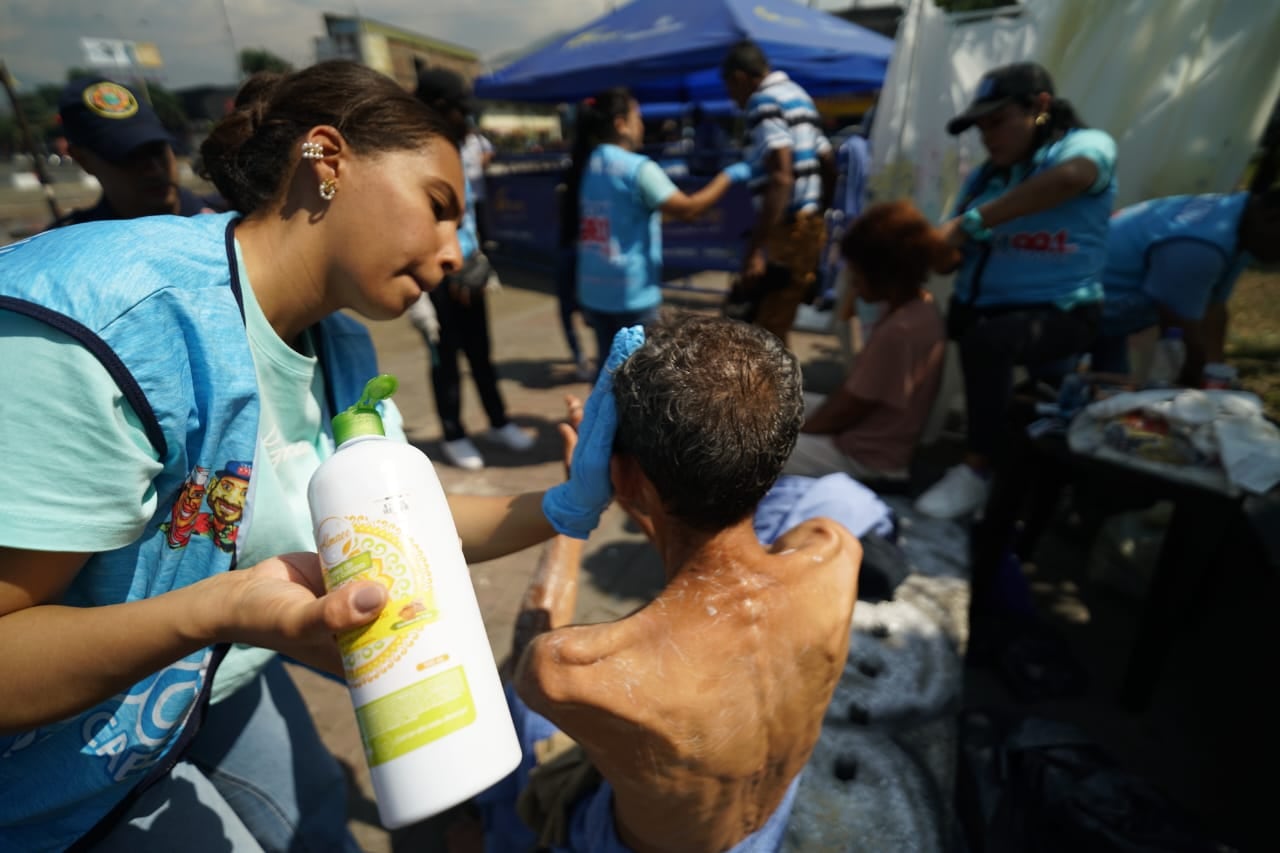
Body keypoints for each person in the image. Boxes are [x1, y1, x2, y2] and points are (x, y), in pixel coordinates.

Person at [0, 60, 611, 852]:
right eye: (437, 209)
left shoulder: (341, 348)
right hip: (49, 771)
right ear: (327, 160)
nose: (455, 252)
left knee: (322, 829)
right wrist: (220, 609)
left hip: (208, 677)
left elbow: (405, 521)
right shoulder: (117, 326)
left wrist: (567, 503)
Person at [478, 315, 863, 853]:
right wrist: (634, 483)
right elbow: (711, 553)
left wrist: (577, 505)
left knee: (512, 712)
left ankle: (491, 832)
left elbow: (538, 651)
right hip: (763, 827)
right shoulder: (835, 553)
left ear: (626, 478)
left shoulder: (568, 669)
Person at [913, 62, 1117, 520]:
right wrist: (932, 249)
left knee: (995, 347)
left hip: (1060, 311)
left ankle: (977, 469)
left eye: (997, 121)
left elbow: (1071, 177)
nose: (988, 135)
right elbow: (953, 251)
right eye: (981, 126)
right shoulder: (985, 178)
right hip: (984, 309)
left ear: (1040, 107)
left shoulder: (1085, 147)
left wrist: (970, 224)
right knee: (957, 331)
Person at [566, 87, 753, 373]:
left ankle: (594, 419)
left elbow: (623, 215)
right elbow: (689, 209)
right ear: (621, 124)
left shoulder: (588, 161)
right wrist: (729, 176)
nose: (642, 124)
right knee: (639, 379)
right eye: (637, 117)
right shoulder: (636, 168)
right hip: (631, 294)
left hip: (594, 288)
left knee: (608, 373)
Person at [414, 67, 535, 470]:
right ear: (434, 107)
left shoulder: (459, 143)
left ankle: (498, 420)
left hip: (467, 263)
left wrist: (476, 260)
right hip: (435, 271)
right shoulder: (413, 149)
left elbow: (465, 213)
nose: (465, 118)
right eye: (457, 110)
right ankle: (454, 431)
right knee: (445, 356)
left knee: (481, 350)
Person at [784, 201, 953, 485]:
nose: (854, 284)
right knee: (779, 403)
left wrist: (792, 435)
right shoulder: (920, 307)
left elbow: (848, 408)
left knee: (744, 453)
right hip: (874, 439)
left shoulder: (900, 330)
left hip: (864, 458)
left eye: (858, 275)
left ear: (884, 273)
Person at [1093, 189, 1280, 382]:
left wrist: (1215, 371)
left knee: (1110, 391)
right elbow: (1178, 324)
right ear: (1272, 218)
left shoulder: (1238, 226)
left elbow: (1214, 308)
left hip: (1112, 320)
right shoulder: (1203, 242)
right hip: (1080, 309)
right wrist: (1198, 382)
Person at [720, 39, 837, 348]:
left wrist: (757, 249)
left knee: (762, 336)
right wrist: (817, 212)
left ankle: (774, 396)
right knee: (777, 327)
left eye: (731, 89)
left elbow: (782, 176)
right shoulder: (799, 96)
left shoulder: (762, 102)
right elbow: (827, 161)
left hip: (785, 230)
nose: (734, 99)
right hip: (808, 227)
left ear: (740, 78)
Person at [48, 76, 222, 229]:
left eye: (157, 150)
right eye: (130, 156)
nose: (153, 169)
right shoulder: (70, 248)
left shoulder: (228, 220)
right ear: (82, 160)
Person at [461, 120, 496, 246]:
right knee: (467, 219)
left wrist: (483, 163)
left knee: (480, 217)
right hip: (463, 188)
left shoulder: (479, 140)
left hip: (476, 187)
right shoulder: (458, 140)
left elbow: (490, 151)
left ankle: (483, 242)